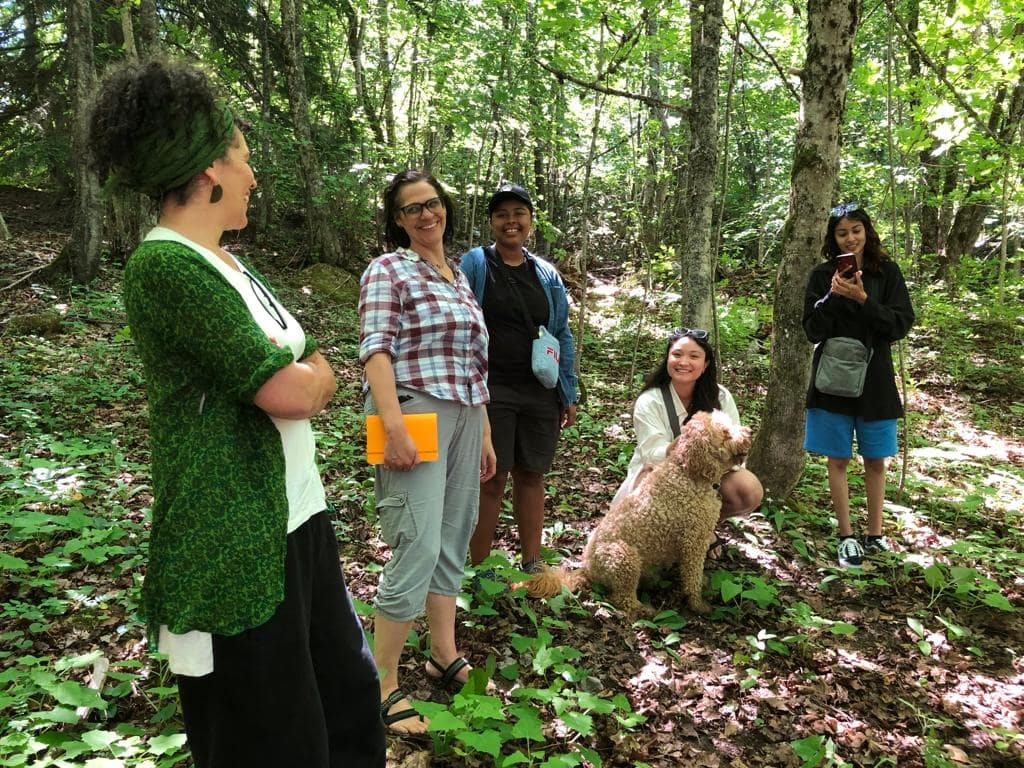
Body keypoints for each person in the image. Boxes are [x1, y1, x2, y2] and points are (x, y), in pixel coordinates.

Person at [87, 59, 385, 767]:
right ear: (209, 171)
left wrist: (309, 374)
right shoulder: (163, 267)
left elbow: (309, 364)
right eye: (246, 160)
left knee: (346, 703)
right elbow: (292, 388)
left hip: (297, 516)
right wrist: (310, 378)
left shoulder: (227, 263)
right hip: (231, 539)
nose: (254, 177)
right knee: (268, 737)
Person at [359, 169, 497, 735]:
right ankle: (382, 681)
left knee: (453, 534)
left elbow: (473, 364)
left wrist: (484, 432)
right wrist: (391, 426)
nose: (425, 214)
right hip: (409, 410)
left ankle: (443, 652)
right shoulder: (388, 268)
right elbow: (376, 349)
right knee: (415, 539)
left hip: (465, 415)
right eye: (412, 208)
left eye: (433, 204)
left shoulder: (459, 274)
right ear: (397, 219)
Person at [460, 184, 579, 575]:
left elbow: (560, 332)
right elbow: (462, 321)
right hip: (491, 388)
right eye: (501, 215)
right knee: (491, 477)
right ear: (492, 222)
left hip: (539, 390)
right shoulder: (477, 264)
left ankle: (531, 564)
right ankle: (481, 570)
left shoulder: (545, 274)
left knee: (532, 475)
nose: (511, 221)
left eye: (518, 213)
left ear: (529, 220)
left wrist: (567, 390)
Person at [803, 202, 915, 568]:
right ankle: (846, 536)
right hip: (832, 379)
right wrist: (835, 296)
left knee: (875, 460)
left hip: (876, 380)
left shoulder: (887, 273)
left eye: (856, 230)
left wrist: (864, 300)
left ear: (867, 231)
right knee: (838, 460)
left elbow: (899, 325)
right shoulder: (822, 276)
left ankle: (876, 534)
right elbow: (812, 330)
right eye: (842, 232)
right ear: (832, 238)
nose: (850, 237)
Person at [611, 328, 763, 544]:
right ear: (667, 359)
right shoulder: (651, 400)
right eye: (677, 354)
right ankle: (659, 542)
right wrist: (684, 444)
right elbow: (651, 452)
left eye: (694, 356)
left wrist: (713, 458)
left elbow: (735, 446)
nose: (684, 362)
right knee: (647, 484)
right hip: (662, 472)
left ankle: (699, 530)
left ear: (706, 364)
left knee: (748, 489)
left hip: (711, 473)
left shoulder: (720, 396)